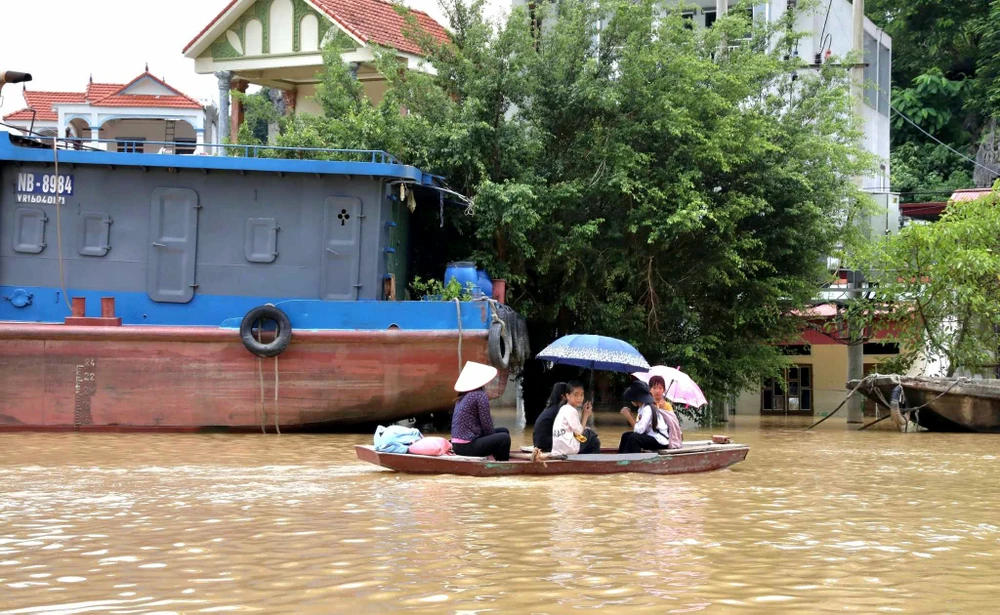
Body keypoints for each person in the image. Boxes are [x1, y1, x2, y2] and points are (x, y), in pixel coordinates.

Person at [450, 361, 511, 460]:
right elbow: (487, 426)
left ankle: (498, 457)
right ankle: (502, 465)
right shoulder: (479, 395)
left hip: (457, 445)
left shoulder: (463, 395)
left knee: (504, 431)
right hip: (467, 446)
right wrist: (495, 443)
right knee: (504, 438)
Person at [618, 380, 671, 454]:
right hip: (651, 436)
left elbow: (639, 431)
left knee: (634, 438)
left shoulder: (647, 409)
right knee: (626, 435)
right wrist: (631, 416)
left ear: (636, 399)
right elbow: (639, 427)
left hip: (660, 440)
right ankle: (621, 457)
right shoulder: (641, 408)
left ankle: (633, 462)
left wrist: (629, 416)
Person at [552, 381, 602, 456]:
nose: (579, 398)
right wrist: (586, 415)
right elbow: (579, 432)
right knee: (594, 439)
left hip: (558, 448)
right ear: (568, 396)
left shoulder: (563, 408)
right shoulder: (571, 410)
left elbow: (576, 431)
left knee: (587, 433)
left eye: (582, 395)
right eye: (576, 395)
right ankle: (594, 464)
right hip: (568, 448)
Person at [532, 382, 569, 452]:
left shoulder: (551, 409)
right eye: (568, 395)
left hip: (538, 444)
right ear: (563, 397)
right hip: (546, 446)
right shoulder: (560, 410)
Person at [648, 375, 683, 449]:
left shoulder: (667, 406)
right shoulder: (647, 405)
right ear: (649, 389)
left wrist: (662, 411)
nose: (657, 391)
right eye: (654, 388)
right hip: (649, 436)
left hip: (663, 438)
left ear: (664, 390)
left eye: (660, 388)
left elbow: (673, 425)